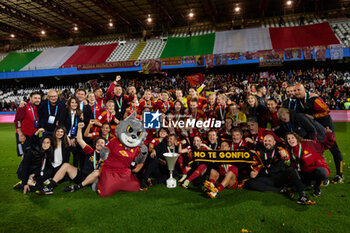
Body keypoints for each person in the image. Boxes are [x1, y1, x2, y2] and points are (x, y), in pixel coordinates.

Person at [246, 135, 315, 205]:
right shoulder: (259, 152)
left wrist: (285, 156)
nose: (267, 143)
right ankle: (282, 190)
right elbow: (257, 165)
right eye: (265, 141)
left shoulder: (279, 150)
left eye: (269, 141)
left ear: (274, 142)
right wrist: (255, 171)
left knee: (291, 170)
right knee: (250, 182)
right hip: (269, 179)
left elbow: (287, 158)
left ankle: (302, 196)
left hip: (280, 177)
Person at [295, 83, 343, 182]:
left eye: (298, 90)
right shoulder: (298, 100)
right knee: (317, 150)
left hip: (325, 126)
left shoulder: (314, 98)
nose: (296, 92)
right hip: (314, 127)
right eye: (295, 90)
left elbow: (326, 110)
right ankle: (322, 174)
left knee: (333, 148)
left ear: (304, 90)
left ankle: (339, 174)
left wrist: (314, 116)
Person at [42, 122, 107, 194]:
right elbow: (79, 140)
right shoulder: (90, 151)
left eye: (102, 143)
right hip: (82, 176)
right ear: (95, 144)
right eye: (98, 142)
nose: (99, 144)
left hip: (92, 179)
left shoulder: (107, 156)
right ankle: (50, 186)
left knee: (97, 172)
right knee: (66, 165)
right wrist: (79, 128)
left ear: (105, 146)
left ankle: (76, 187)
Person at [285, 130, 335, 197]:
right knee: (294, 187)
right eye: (289, 139)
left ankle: (318, 187)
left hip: (318, 168)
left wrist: (329, 134)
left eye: (292, 138)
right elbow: (294, 164)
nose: (291, 140)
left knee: (321, 173)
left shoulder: (309, 144)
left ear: (297, 138)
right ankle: (312, 183)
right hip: (305, 172)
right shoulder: (291, 150)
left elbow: (327, 144)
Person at [14, 128, 55, 194]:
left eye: (48, 143)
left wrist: (34, 175)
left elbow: (40, 166)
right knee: (36, 188)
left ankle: (31, 182)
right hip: (26, 172)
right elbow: (25, 167)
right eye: (44, 142)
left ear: (50, 145)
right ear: (41, 142)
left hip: (34, 172)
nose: (45, 144)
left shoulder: (46, 152)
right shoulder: (32, 152)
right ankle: (22, 185)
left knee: (40, 185)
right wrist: (25, 183)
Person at [14, 91, 41, 157]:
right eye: (35, 98)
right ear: (30, 98)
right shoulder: (24, 106)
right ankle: (23, 167)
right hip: (24, 136)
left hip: (34, 135)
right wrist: (20, 134)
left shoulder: (38, 107)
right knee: (24, 154)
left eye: (39, 98)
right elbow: (17, 120)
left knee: (33, 154)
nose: (37, 100)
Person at [58, 97, 83, 168]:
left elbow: (78, 127)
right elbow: (61, 125)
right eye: (72, 102)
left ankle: (74, 171)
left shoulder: (79, 113)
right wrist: (67, 138)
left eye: (76, 103)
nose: (74, 104)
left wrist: (74, 138)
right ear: (69, 103)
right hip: (65, 136)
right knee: (65, 155)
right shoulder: (64, 111)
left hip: (74, 137)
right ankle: (64, 171)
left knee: (76, 154)